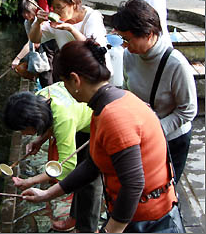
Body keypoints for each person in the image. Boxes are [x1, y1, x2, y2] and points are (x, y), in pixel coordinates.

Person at [21, 38, 184, 233]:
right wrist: (47, 194)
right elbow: (93, 164)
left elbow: (133, 184)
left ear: (75, 80)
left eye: (63, 82)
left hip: (147, 220)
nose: (63, 89)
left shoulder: (114, 117)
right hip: (136, 214)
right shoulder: (110, 103)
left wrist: (110, 230)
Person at [111, 0, 197, 182]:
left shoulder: (176, 64)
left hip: (172, 140)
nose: (124, 45)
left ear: (148, 34)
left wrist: (156, 130)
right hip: (143, 135)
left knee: (165, 190)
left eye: (127, 39)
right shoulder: (130, 55)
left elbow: (188, 110)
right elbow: (127, 89)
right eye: (122, 39)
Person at [3, 82, 103, 232]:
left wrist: (31, 181)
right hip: (80, 120)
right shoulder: (39, 98)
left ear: (33, 122)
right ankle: (75, 217)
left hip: (97, 123)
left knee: (90, 180)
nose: (23, 134)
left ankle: (88, 229)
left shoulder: (63, 118)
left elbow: (67, 166)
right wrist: (39, 140)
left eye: (23, 130)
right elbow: (50, 120)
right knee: (80, 175)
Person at [27, 0, 113, 82]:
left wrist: (71, 29)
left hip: (96, 75)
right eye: (53, 7)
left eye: (59, 7)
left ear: (73, 2)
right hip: (74, 78)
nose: (56, 11)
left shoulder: (91, 17)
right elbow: (35, 39)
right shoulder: (57, 21)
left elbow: (94, 49)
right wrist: (38, 23)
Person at [12, 0, 60, 87]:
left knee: (47, 72)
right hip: (62, 32)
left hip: (49, 37)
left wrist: (17, 58)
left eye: (28, 13)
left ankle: (48, 97)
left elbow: (43, 20)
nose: (27, 17)